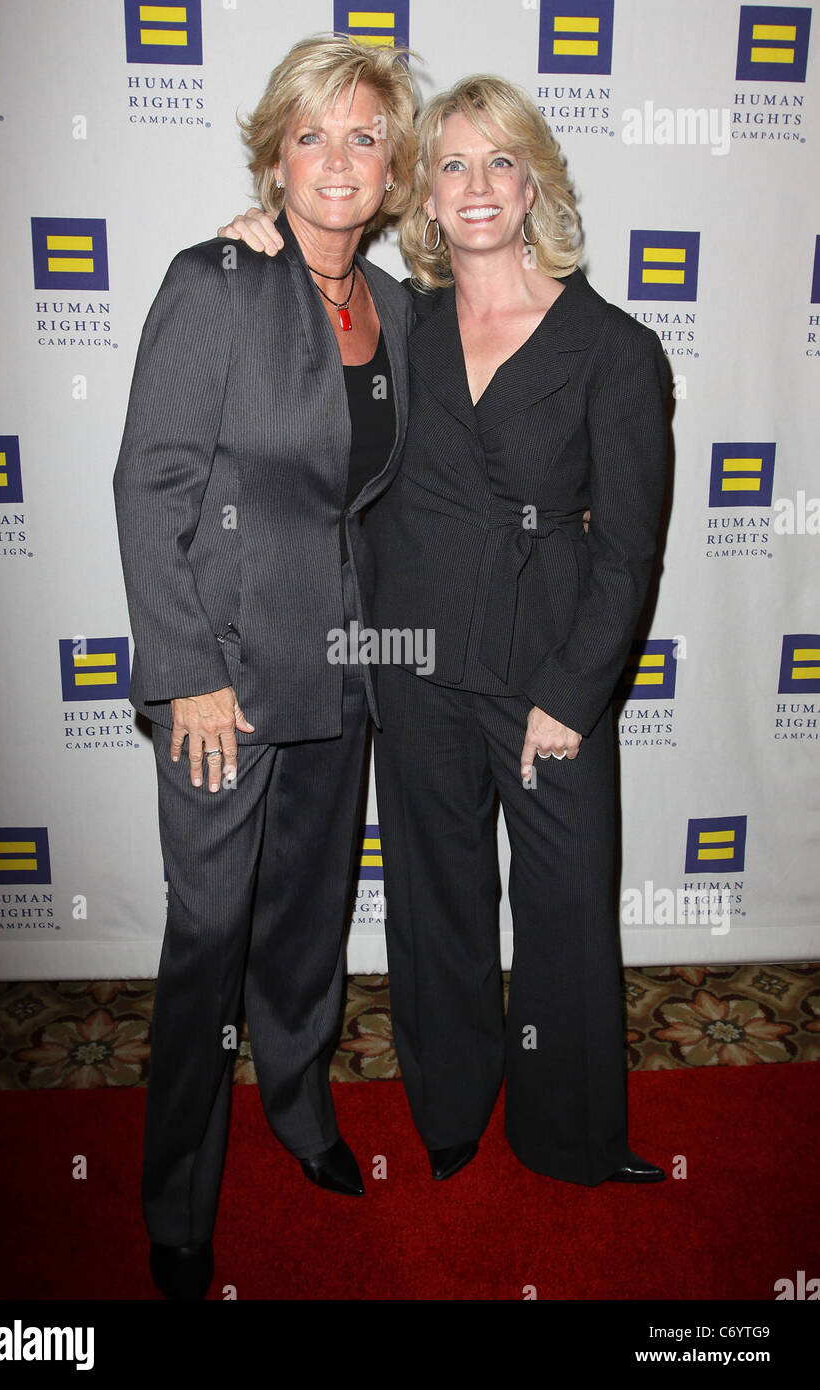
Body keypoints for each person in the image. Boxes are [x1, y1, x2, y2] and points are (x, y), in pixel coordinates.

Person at [220, 75, 671, 1190]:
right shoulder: (400, 317)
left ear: (535, 186)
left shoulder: (613, 348)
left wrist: (573, 694)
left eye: (499, 163)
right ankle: (453, 1103)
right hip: (412, 661)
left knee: (565, 905)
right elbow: (305, 291)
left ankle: (568, 1133)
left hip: (545, 667)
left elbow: (626, 550)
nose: (476, 187)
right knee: (435, 896)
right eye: (453, 165)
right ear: (423, 197)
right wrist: (255, 239)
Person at [113, 34, 416, 1300]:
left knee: (305, 927)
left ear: (392, 166)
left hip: (341, 673)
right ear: (273, 156)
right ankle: (178, 1194)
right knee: (208, 938)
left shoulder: (399, 308)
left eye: (362, 136)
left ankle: (299, 1109)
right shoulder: (219, 280)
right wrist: (185, 668)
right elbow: (151, 481)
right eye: (311, 135)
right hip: (224, 682)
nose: (336, 161)